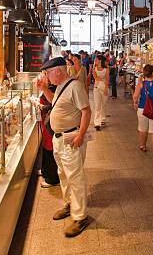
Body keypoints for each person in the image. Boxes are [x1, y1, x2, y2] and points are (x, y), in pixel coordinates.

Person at [37, 57, 92, 237]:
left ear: (58, 71)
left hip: (71, 138)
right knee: (63, 174)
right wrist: (44, 88)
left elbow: (86, 111)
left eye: (48, 73)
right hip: (58, 139)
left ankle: (80, 216)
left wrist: (81, 135)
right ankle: (70, 205)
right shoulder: (61, 86)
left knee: (75, 177)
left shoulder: (75, 86)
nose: (47, 76)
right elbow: (55, 102)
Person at [133, 64, 153, 162]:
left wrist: (135, 103)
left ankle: (143, 145)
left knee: (143, 129)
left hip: (143, 109)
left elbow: (135, 96)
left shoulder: (141, 84)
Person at [38, 84, 60, 188]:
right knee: (46, 147)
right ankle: (45, 171)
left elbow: (55, 104)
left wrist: (41, 106)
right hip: (47, 122)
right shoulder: (49, 87)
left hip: (51, 123)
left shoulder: (56, 88)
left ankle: (52, 178)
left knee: (50, 148)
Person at [92, 55, 109, 131]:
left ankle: (102, 119)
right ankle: (97, 123)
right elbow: (95, 77)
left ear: (100, 60)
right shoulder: (94, 68)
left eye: (96, 60)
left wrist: (105, 88)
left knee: (103, 104)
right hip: (96, 88)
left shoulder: (106, 69)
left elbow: (107, 80)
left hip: (104, 88)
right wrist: (103, 79)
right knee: (97, 105)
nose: (95, 61)